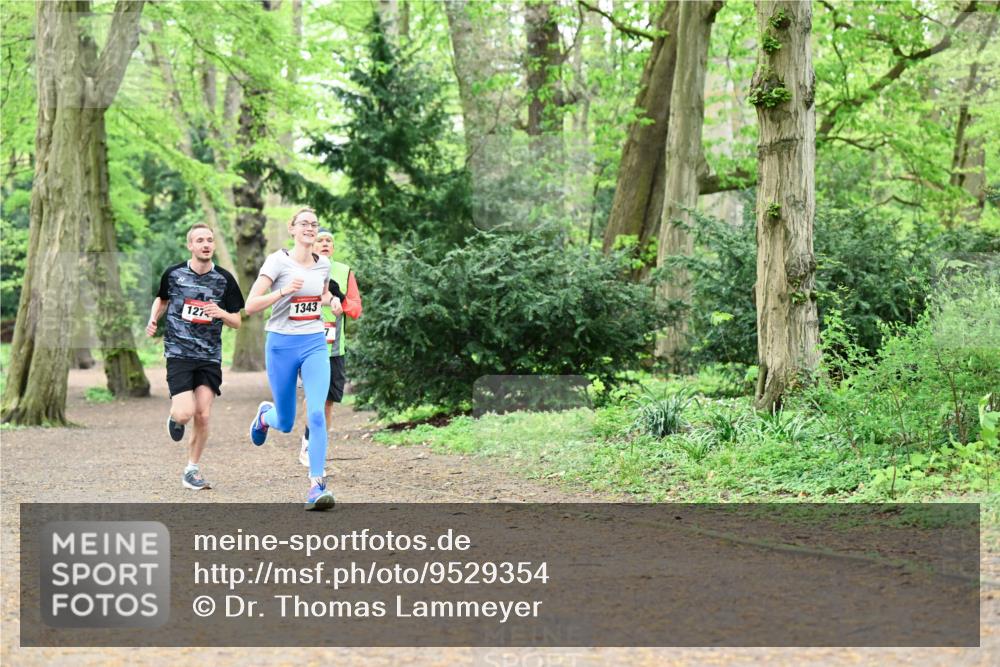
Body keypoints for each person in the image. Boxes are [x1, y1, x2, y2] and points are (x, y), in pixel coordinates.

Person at [244, 207, 343, 511]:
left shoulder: (323, 264)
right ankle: (265, 416)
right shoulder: (277, 261)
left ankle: (317, 485)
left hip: (314, 343)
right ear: (292, 229)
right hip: (281, 344)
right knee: (285, 422)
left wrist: (332, 300)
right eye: (304, 224)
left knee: (316, 413)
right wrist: (283, 291)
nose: (310, 228)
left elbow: (321, 294)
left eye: (314, 224)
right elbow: (251, 305)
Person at [146, 223, 244, 491]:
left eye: (209, 240)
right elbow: (162, 300)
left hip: (209, 356)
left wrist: (221, 313)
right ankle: (175, 418)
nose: (206, 244)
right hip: (179, 353)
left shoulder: (225, 279)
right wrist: (153, 319)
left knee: (203, 414)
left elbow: (237, 321)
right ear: (190, 245)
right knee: (185, 413)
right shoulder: (174, 274)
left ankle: (192, 469)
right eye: (200, 240)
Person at [298, 229, 363, 467]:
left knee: (327, 402)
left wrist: (340, 299)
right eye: (320, 240)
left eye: (329, 241)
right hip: (307, 344)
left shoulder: (344, 271)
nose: (325, 243)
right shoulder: (301, 269)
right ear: (312, 245)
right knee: (313, 396)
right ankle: (308, 443)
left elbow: (356, 310)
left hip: (335, 348)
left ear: (333, 247)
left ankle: (319, 445)